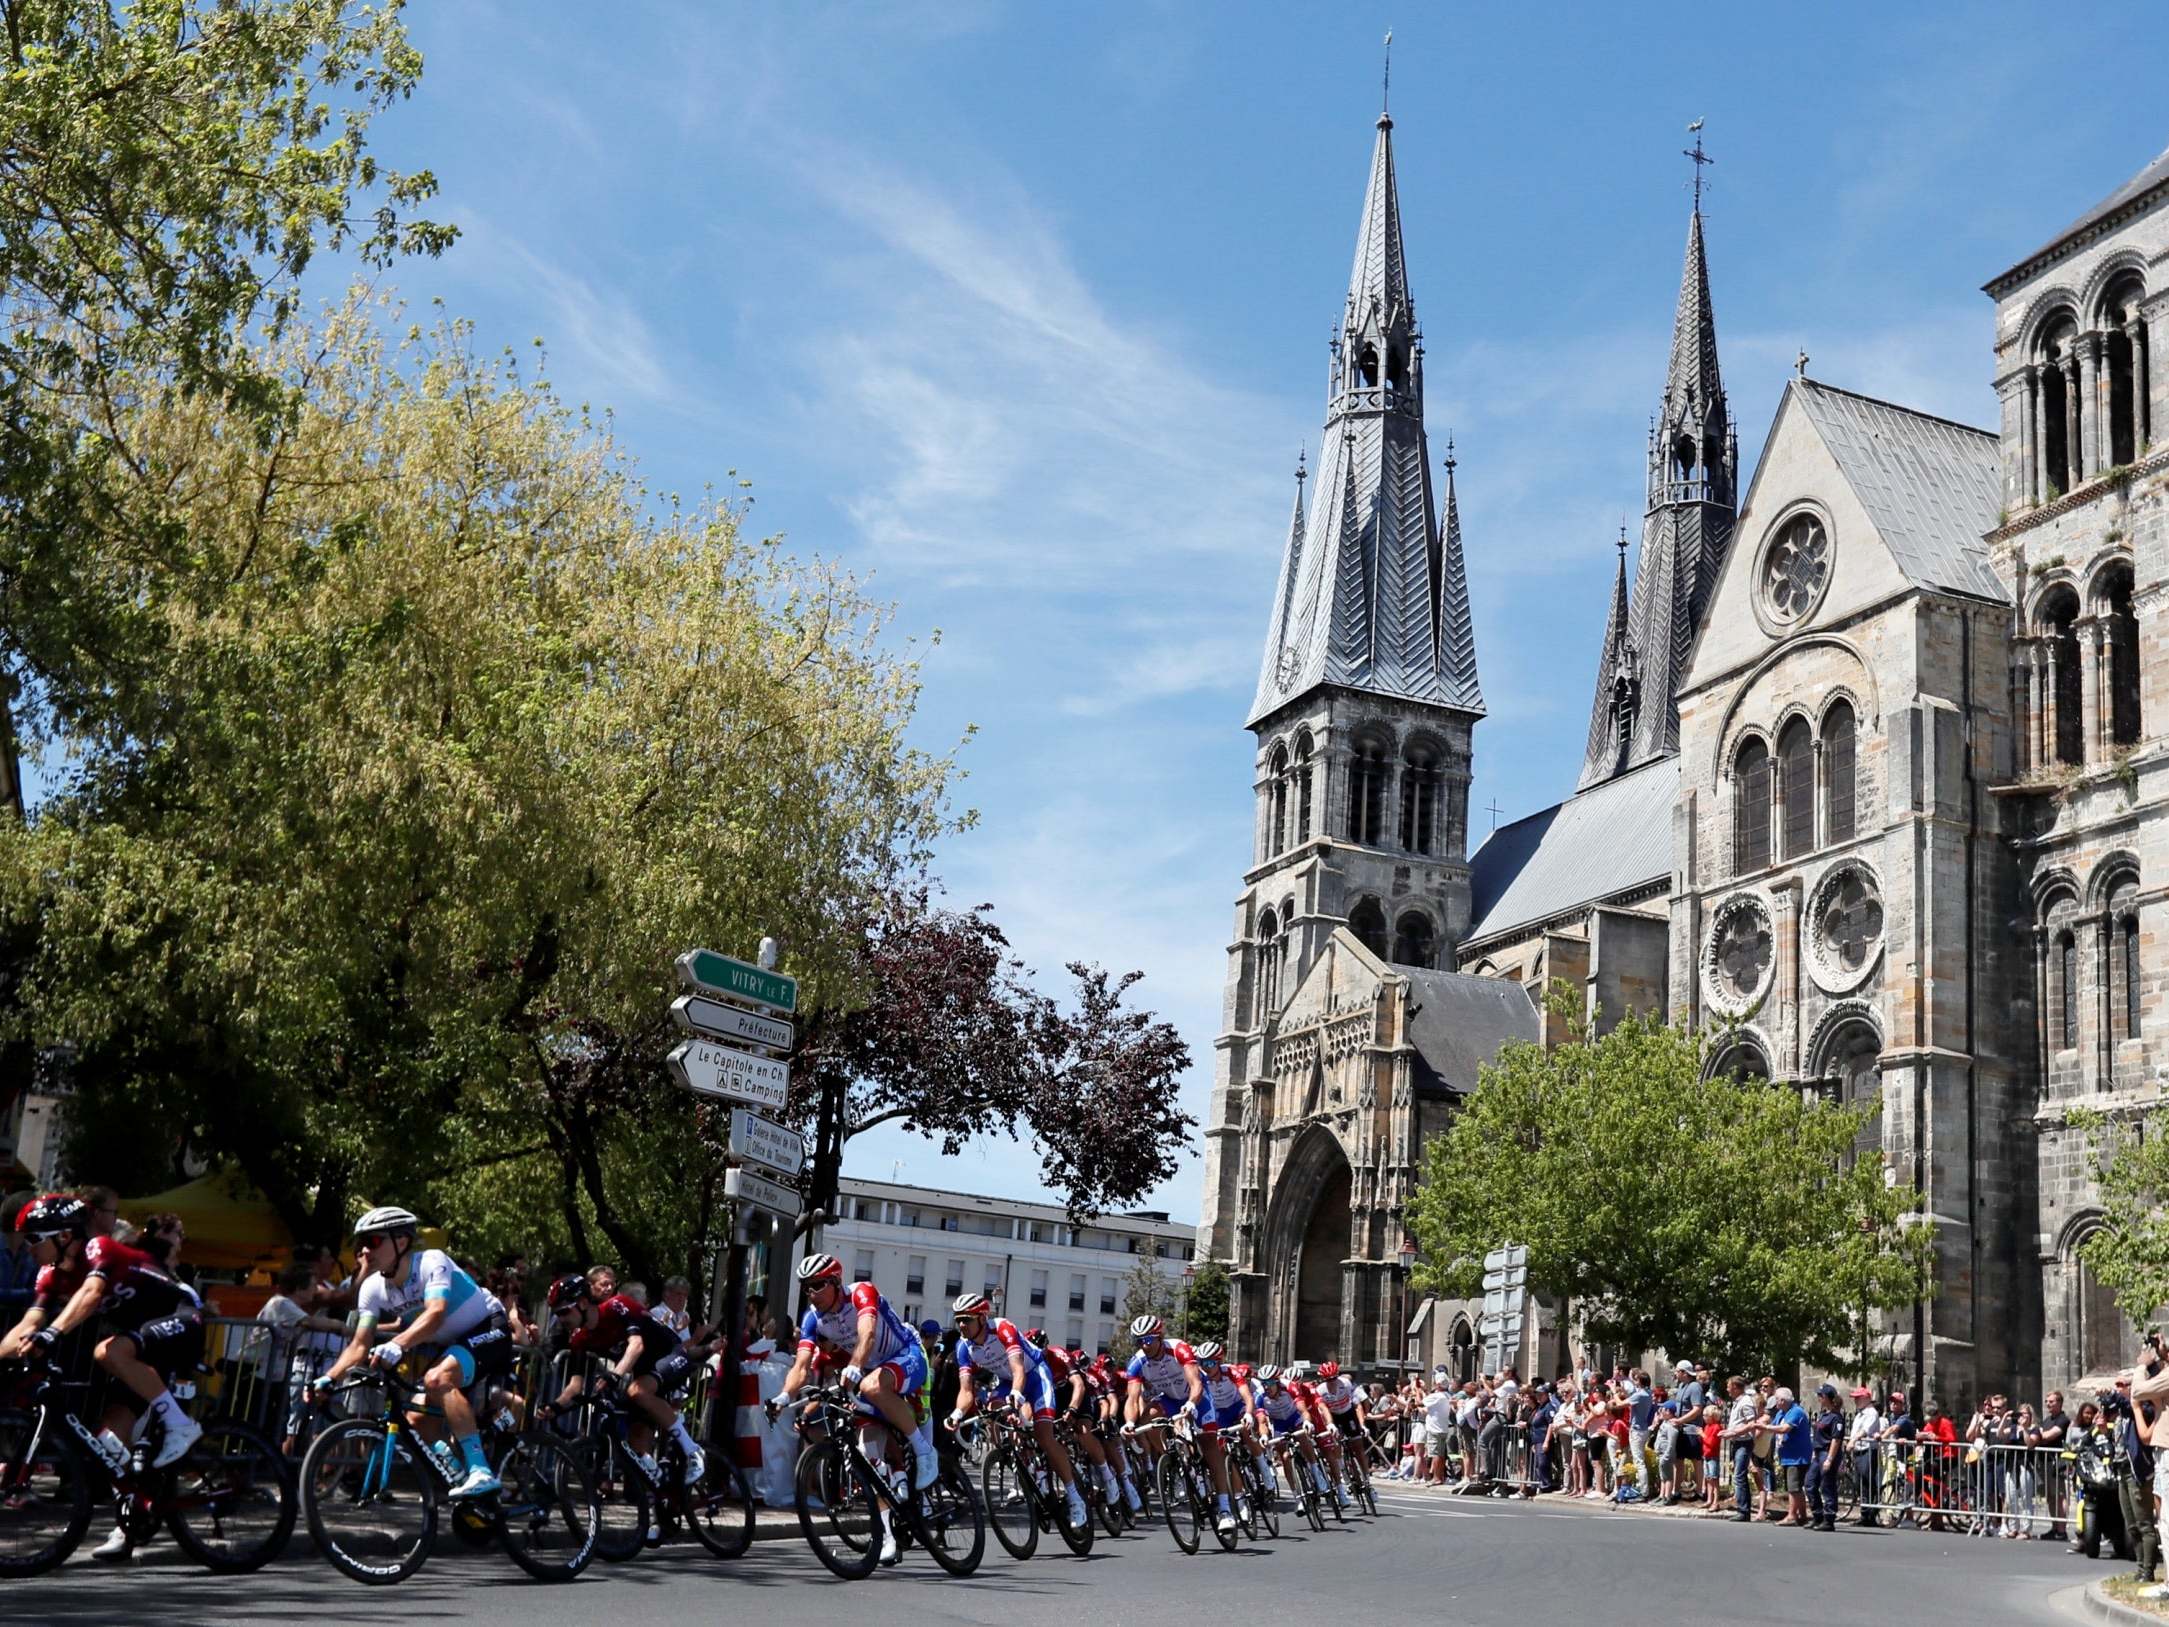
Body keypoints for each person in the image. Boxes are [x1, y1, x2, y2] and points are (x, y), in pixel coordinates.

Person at [312, 1206, 511, 1500]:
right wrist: (328, 1379)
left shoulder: (431, 1261)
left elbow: (436, 1313)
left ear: (401, 1242)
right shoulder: (372, 1288)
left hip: (488, 1326)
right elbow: (359, 1344)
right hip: (453, 1344)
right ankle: (461, 1478)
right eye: (360, 1244)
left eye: (374, 1241)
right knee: (416, 1420)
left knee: (437, 1378)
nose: (365, 1250)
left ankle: (480, 1470)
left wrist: (397, 1344)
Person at [772, 1254, 936, 1501]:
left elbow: (867, 1334)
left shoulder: (861, 1293)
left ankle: (925, 1451)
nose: (811, 1293)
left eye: (817, 1285)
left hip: (906, 1353)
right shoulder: (812, 1319)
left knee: (871, 1386)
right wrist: (784, 1396)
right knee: (866, 1434)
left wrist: (855, 1365)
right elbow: (801, 1366)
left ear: (836, 1281)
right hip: (874, 1370)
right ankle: (897, 1484)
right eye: (806, 1287)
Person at [541, 1272, 706, 1489]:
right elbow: (576, 1385)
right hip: (644, 1370)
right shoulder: (579, 1339)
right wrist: (555, 1406)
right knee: (636, 1443)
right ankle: (663, 1500)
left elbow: (636, 1345)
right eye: (557, 1313)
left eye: (564, 1311)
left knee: (637, 1391)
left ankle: (693, 1451)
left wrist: (614, 1375)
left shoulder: (616, 1306)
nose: (561, 1319)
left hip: (670, 1355)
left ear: (582, 1303)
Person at [945, 1293, 1089, 1527]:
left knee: (1044, 1435)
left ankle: (1074, 1498)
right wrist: (957, 1414)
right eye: (958, 1319)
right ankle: (1023, 1459)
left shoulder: (1003, 1328)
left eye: (967, 1319)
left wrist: (1017, 1396)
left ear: (982, 1318)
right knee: (992, 1409)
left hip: (1034, 1377)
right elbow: (966, 1391)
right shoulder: (963, 1347)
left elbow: (1019, 1370)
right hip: (1005, 1381)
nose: (961, 1324)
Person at [1124, 1313, 1238, 1535]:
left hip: (1196, 1397)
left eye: (1148, 1340)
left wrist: (1192, 1404)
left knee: (1209, 1446)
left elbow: (1196, 1383)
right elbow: (1131, 1398)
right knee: (1149, 1415)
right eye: (1139, 1341)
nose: (1144, 1346)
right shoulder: (1137, 1362)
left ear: (1159, 1337)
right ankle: (1173, 1460)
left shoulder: (1178, 1349)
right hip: (1168, 1399)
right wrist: (1129, 1422)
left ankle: (1225, 1509)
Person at [1806, 1382, 1846, 1531]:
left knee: (1827, 1485)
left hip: (1828, 1453)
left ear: (1828, 1398)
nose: (1818, 1398)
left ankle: (1829, 1518)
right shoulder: (1824, 1414)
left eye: (1821, 1395)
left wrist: (1829, 1459)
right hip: (1818, 1453)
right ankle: (1817, 1515)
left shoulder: (1836, 1417)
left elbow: (1836, 1439)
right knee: (1810, 1483)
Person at [1846, 1385, 1882, 1526]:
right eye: (1855, 1398)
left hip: (1868, 1450)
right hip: (1859, 1451)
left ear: (1867, 1398)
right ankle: (1865, 1513)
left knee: (1867, 1483)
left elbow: (1865, 1431)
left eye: (1858, 1398)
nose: (1855, 1400)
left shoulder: (1871, 1413)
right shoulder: (1860, 1414)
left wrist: (1853, 1440)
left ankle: (1870, 1515)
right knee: (1859, 1483)